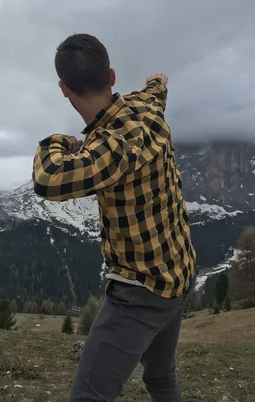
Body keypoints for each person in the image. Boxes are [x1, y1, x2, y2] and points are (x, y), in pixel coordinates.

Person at [32, 33, 196, 401]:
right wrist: (159, 80)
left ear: (63, 88)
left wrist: (61, 141)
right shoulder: (147, 106)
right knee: (160, 378)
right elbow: (157, 88)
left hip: (141, 290)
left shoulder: (109, 149)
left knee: (89, 395)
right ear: (111, 76)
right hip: (179, 273)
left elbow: (47, 178)